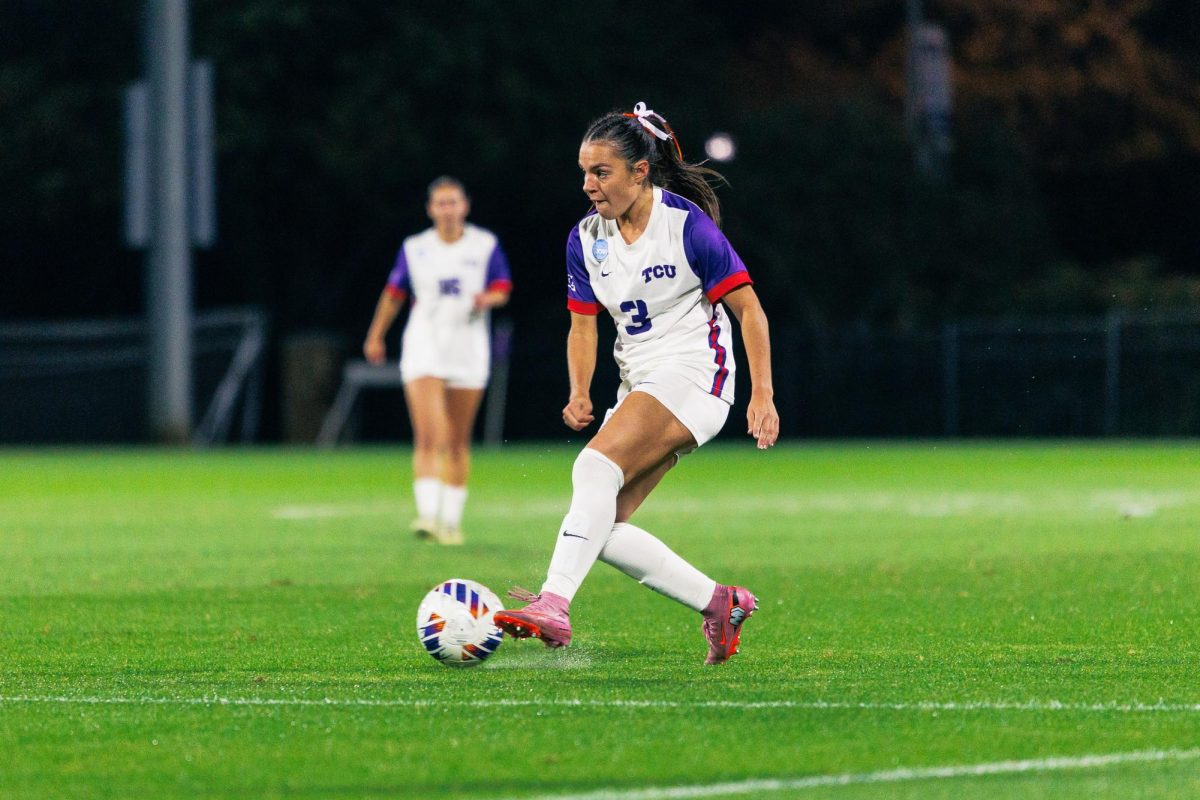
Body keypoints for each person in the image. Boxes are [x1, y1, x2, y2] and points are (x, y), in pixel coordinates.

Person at [492, 103, 779, 665]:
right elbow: (582, 322)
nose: (589, 185)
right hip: (642, 382)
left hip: (697, 373)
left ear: (640, 171)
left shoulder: (685, 225)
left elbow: (751, 312)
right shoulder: (585, 239)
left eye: (601, 172)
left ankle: (554, 603)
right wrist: (580, 390)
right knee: (603, 525)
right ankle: (719, 602)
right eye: (584, 172)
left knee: (591, 468)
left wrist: (762, 394)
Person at [363, 176, 512, 545]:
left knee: (458, 440)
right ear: (431, 209)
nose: (447, 210)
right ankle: (427, 516)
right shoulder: (416, 248)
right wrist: (376, 334)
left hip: (467, 349)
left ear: (465, 205)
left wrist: (486, 300)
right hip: (424, 346)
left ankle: (450, 522)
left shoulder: (484, 245)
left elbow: (502, 288)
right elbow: (394, 293)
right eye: (440, 203)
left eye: (453, 202)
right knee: (430, 434)